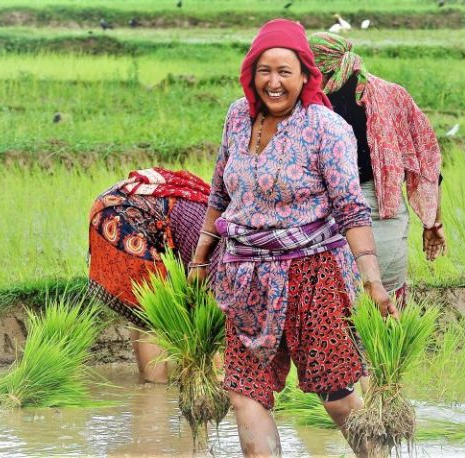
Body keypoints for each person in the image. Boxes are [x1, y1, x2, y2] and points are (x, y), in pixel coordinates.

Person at [186, 19, 394, 457]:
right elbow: (220, 191)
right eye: (265, 71)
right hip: (245, 276)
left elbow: (351, 209)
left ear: (305, 76)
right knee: (245, 391)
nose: (274, 82)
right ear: (251, 74)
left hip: (314, 274)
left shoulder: (326, 128)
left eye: (285, 71)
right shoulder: (237, 118)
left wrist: (372, 280)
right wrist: (201, 259)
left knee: (335, 393)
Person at [308, 32, 446, 307]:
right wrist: (433, 223)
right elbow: (427, 162)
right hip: (379, 206)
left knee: (336, 301)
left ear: (316, 66)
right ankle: (382, 346)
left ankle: (361, 348)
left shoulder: (309, 104)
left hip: (333, 207)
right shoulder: (391, 95)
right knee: (383, 299)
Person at [87, 167, 221, 383]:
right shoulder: (230, 260)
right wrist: (218, 377)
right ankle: (155, 391)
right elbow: (208, 325)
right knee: (155, 316)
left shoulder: (232, 231)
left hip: (117, 205)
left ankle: (147, 384)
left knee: (142, 312)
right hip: (127, 215)